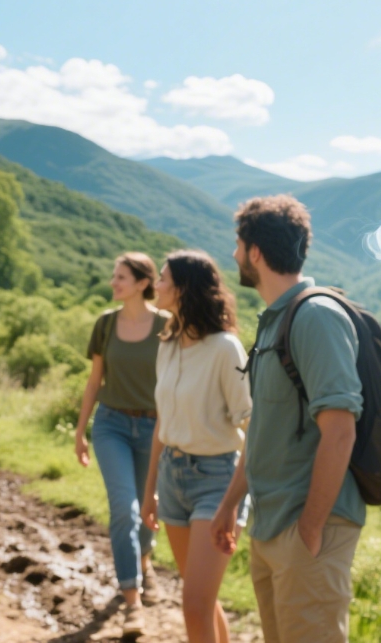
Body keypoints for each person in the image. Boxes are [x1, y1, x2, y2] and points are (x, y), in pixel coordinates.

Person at [211, 195, 364, 643]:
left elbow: (340, 430)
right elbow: (263, 428)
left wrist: (310, 529)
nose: (234, 255)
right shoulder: (274, 321)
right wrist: (229, 505)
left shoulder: (315, 316)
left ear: (256, 252)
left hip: (307, 528)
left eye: (238, 245)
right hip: (270, 524)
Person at [140, 249, 252, 643]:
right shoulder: (167, 344)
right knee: (200, 598)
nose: (156, 285)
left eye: (163, 279)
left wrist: (233, 501)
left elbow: (252, 425)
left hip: (216, 479)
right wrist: (150, 489)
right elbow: (163, 421)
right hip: (171, 476)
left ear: (184, 289)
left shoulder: (225, 348)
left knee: (194, 604)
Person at [74, 252, 165, 637]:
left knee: (147, 508)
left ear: (143, 283)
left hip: (154, 428)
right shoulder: (105, 324)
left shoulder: (167, 325)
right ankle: (132, 602)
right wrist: (80, 430)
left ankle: (144, 563)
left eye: (121, 277)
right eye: (114, 275)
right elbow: (95, 380)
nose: (113, 282)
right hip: (111, 425)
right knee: (124, 508)